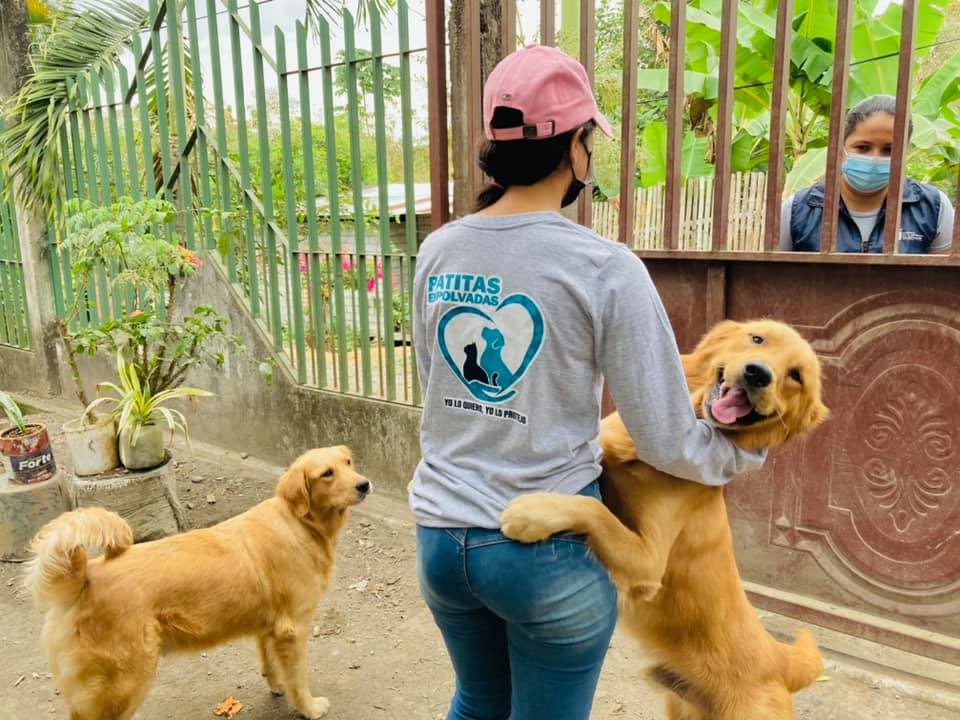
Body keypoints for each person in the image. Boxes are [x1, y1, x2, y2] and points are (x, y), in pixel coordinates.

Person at [408, 44, 767, 720]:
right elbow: (664, 438)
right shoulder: (603, 266)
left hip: (440, 539)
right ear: (575, 148)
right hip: (541, 554)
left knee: (478, 703)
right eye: (588, 143)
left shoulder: (439, 249)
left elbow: (437, 388)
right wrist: (744, 451)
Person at [780, 94, 954, 254]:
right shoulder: (798, 210)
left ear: (905, 152)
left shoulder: (932, 207)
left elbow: (946, 275)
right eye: (862, 147)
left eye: (889, 149)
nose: (875, 158)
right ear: (841, 147)